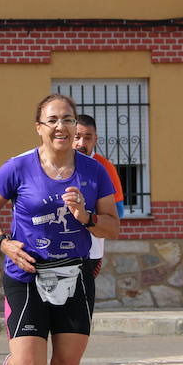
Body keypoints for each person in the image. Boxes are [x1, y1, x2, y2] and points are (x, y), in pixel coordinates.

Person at [0, 93, 119, 365]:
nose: (61, 127)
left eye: (68, 120)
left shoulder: (94, 172)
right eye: (53, 120)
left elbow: (112, 226)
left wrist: (84, 216)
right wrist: (3, 243)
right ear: (40, 127)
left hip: (76, 273)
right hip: (26, 274)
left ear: (76, 128)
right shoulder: (17, 167)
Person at [72, 114, 124, 277]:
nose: (81, 143)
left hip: (91, 252)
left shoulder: (104, 167)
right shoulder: (57, 163)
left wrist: (87, 215)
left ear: (95, 139)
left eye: (87, 138)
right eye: (77, 137)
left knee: (83, 300)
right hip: (58, 252)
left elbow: (118, 212)